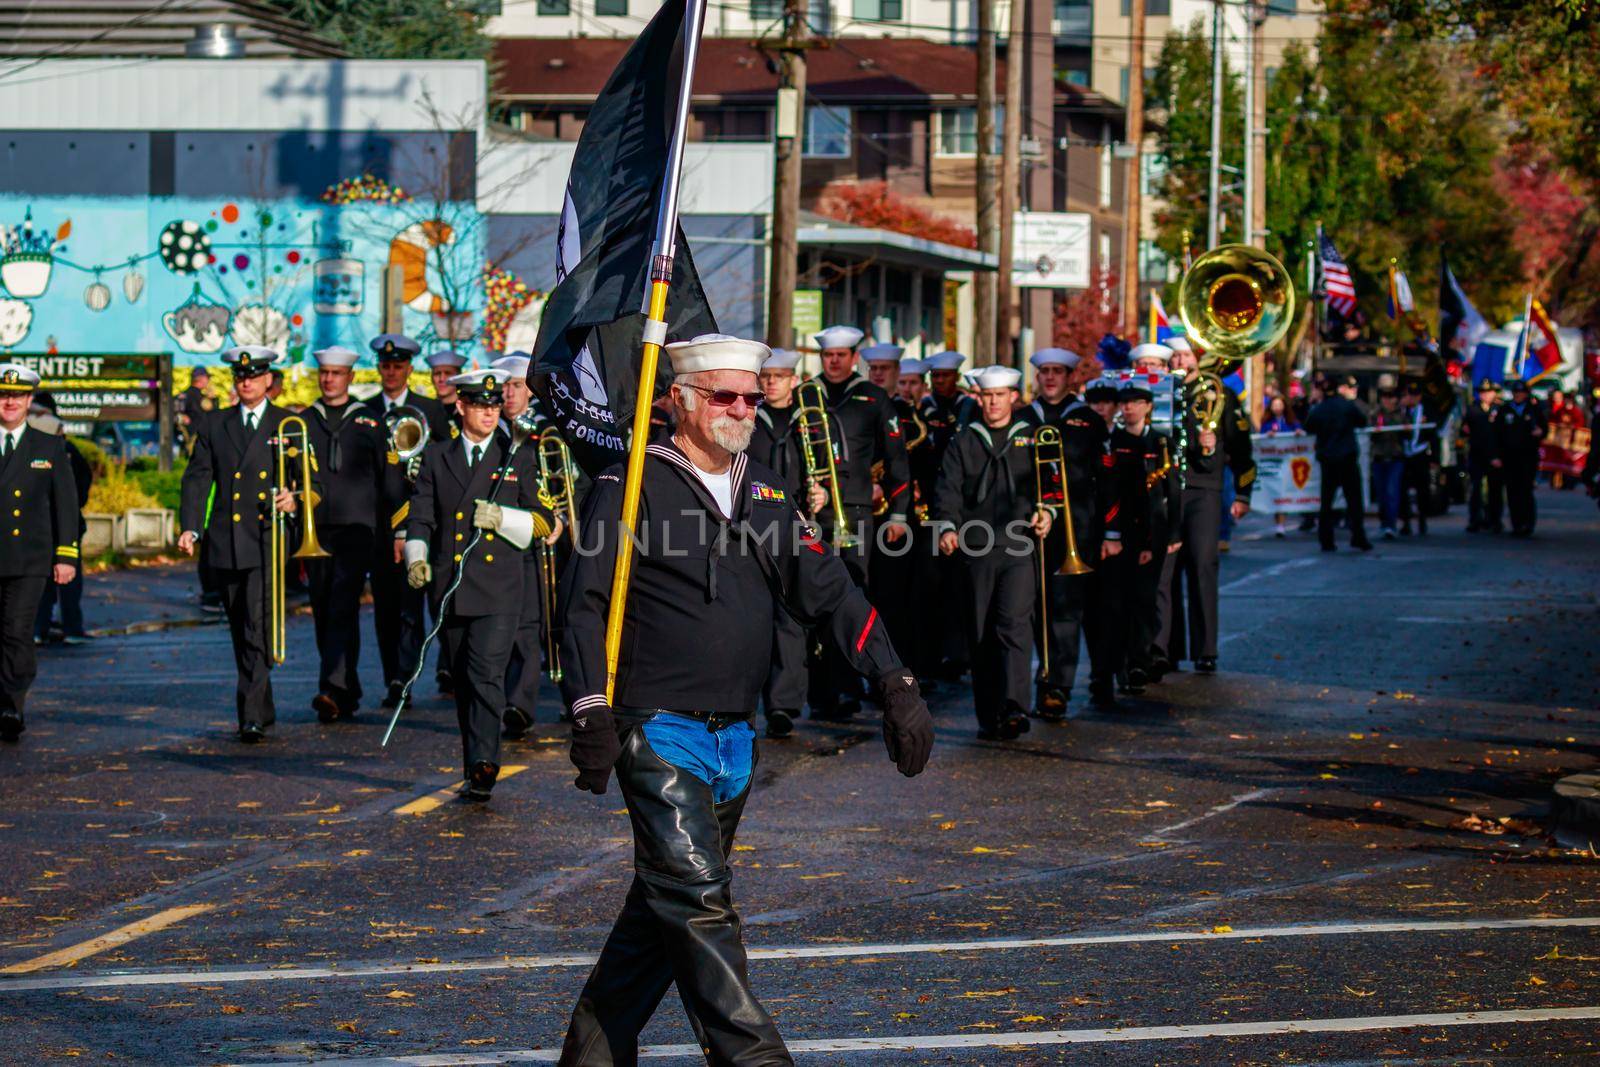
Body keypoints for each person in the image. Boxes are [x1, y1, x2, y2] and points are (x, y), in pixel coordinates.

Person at [557, 333, 933, 1064]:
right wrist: (586, 704)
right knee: (700, 905)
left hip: (736, 739)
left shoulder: (764, 488)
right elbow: (583, 604)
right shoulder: (628, 483)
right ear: (680, 400)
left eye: (752, 396)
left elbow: (828, 589)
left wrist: (895, 679)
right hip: (657, 731)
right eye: (723, 395)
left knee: (664, 910)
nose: (741, 408)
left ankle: (591, 1057)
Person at [404, 369, 560, 800]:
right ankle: (472, 755)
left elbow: (545, 521)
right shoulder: (438, 457)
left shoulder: (519, 454)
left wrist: (503, 519)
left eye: (494, 406)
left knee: (486, 673)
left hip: (500, 588)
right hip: (452, 587)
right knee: (463, 678)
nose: (490, 413)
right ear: (461, 408)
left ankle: (484, 761)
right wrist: (416, 558)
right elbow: (421, 515)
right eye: (480, 406)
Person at [177, 346, 298, 743]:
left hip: (266, 538)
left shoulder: (288, 424)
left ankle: (250, 713)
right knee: (238, 625)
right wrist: (191, 527)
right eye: (240, 376)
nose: (246, 381)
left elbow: (312, 481)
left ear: (268, 381)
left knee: (256, 624)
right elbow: (198, 478)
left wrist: (294, 499)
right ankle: (263, 703)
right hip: (227, 541)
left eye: (254, 375)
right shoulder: (215, 424)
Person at [932, 365, 1054, 740]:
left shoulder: (1033, 437)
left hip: (1018, 546)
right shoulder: (964, 440)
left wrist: (1047, 511)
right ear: (979, 398)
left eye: (1001, 395)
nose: (994, 402)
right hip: (976, 548)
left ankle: (1016, 705)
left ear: (1014, 397)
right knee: (982, 632)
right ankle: (989, 713)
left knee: (1014, 625)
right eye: (987, 396)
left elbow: (1049, 483)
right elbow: (947, 488)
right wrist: (947, 526)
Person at [806, 324, 911, 719]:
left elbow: (898, 461)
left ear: (854, 358)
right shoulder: (807, 393)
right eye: (827, 355)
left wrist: (899, 512)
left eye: (841, 355)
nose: (833, 361)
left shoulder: (874, 397)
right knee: (813, 599)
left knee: (851, 599)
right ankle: (819, 691)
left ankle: (849, 685)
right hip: (814, 510)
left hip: (855, 512)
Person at [300, 346, 391, 722]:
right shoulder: (304, 420)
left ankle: (332, 687)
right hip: (316, 528)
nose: (329, 379)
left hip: (358, 529)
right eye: (324, 373)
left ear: (350, 377)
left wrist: (391, 535)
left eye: (337, 374)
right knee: (324, 607)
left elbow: (387, 482)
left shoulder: (369, 421)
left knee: (341, 602)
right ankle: (346, 687)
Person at [1158, 343, 1253, 675]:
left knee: (1201, 566)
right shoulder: (1161, 393)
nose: (1179, 361)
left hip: (1203, 491)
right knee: (1165, 571)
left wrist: (1243, 493)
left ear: (1197, 359)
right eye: (1174, 357)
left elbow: (1242, 447)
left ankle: (1205, 649)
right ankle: (1165, 649)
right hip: (1168, 490)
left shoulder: (1219, 394)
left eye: (1185, 356)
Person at [364, 334, 447, 707]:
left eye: (398, 366)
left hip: (419, 526)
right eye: (386, 366)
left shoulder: (431, 410)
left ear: (409, 369)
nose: (391, 372)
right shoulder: (365, 413)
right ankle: (392, 678)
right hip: (378, 530)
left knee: (414, 608)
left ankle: (406, 678)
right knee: (385, 610)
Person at [0, 365, 80, 742]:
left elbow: (65, 505)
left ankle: (11, 703)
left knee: (17, 631)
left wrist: (66, 556)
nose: (9, 401)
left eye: (17, 396)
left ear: (29, 401)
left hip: (28, 559)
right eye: (3, 395)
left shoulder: (47, 446)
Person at [749, 348, 824, 739]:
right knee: (754, 614)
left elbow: (836, 465)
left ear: (794, 380)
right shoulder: (748, 419)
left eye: (780, 376)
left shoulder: (811, 422)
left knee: (790, 617)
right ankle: (749, 698)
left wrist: (826, 493)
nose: (772, 382)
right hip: (755, 526)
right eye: (767, 376)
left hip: (799, 526)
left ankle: (783, 704)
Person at [1023, 348, 1102, 715]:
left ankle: (1059, 686)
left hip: (1077, 527)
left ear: (1070, 376)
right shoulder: (1023, 417)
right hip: (1031, 528)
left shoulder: (1087, 419)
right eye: (1044, 372)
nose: (1050, 378)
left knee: (1067, 611)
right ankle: (1044, 678)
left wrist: (1108, 533)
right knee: (1037, 609)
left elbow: (1103, 479)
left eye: (1057, 371)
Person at [491, 351, 552, 739]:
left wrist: (558, 518)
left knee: (530, 626)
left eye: (516, 385)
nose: (509, 394)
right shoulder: (486, 430)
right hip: (489, 545)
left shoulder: (546, 432)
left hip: (533, 539)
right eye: (504, 387)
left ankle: (520, 703)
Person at [27, 393, 92, 646]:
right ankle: (72, 627)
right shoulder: (66, 448)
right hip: (66, 524)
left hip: (35, 526)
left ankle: (38, 628)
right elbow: (81, 484)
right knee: (69, 577)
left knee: (40, 580)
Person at [1303, 374, 1372, 552]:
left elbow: (1308, 427)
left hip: (1328, 459)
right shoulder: (1347, 406)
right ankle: (1358, 536)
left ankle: (1326, 539)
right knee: (1354, 500)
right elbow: (1362, 422)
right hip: (1347, 457)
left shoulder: (1319, 409)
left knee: (1326, 501)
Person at [1497, 378, 1547, 537]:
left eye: (1521, 392)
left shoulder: (1533, 410)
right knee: (1512, 491)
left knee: (1526, 490)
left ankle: (1528, 523)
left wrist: (1540, 432)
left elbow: (1544, 429)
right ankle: (1516, 523)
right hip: (1509, 457)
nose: (1518, 395)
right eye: (1516, 392)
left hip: (1528, 456)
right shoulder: (1505, 410)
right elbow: (1497, 433)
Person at [1462, 380, 1504, 534]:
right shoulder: (1473, 409)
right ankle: (1475, 519)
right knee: (1476, 489)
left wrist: (1498, 456)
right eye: (1483, 392)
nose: (1486, 395)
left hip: (1495, 456)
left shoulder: (1500, 409)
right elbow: (1465, 429)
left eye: (1489, 392)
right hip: (1477, 454)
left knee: (1495, 490)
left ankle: (1494, 520)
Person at [1369, 386, 1408, 540]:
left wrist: (1406, 429)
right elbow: (1370, 434)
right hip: (1379, 457)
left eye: (1390, 397)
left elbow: (1407, 434)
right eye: (1385, 397)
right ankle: (1384, 521)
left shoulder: (1401, 413)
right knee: (1381, 493)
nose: (1387, 400)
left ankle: (1390, 524)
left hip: (1395, 457)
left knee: (1392, 491)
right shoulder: (1375, 413)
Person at [1260, 394, 1300, 538]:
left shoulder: (1291, 421)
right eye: (1274, 405)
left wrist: (1298, 433)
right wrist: (1267, 435)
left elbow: (1299, 432)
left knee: (1285, 493)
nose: (1277, 408)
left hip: (1288, 462)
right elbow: (1261, 437)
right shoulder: (1266, 422)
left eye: (1279, 405)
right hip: (1273, 464)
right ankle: (1279, 523)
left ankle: (1282, 523)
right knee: (1277, 492)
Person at [1398, 382, 1431, 536]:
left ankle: (1422, 518)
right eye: (1409, 395)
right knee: (1402, 489)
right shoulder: (1401, 411)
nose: (1412, 398)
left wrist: (1435, 458)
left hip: (1420, 452)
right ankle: (1406, 521)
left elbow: (1433, 432)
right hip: (1404, 453)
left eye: (1415, 395)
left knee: (1422, 488)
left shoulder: (1426, 410)